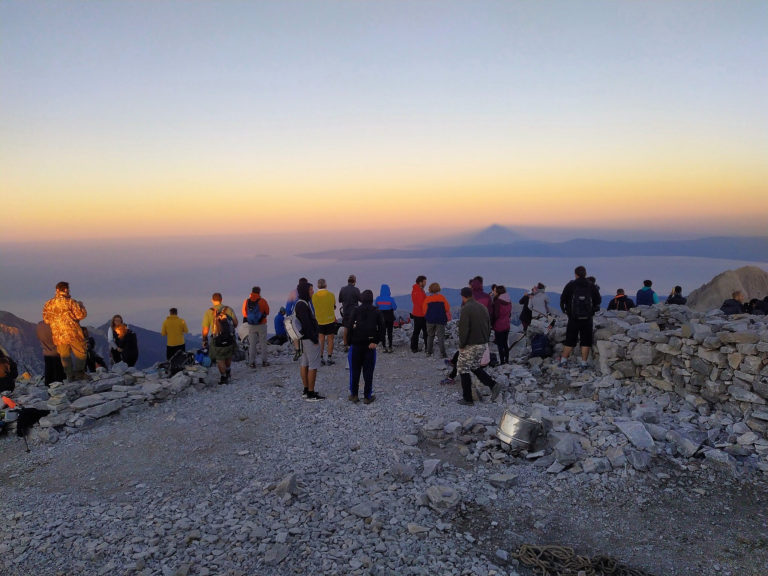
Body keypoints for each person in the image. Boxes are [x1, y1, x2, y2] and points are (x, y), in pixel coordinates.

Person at [456, 287, 501, 405]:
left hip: (471, 343)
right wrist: (485, 340)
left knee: (462, 368)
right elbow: (488, 325)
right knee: (475, 367)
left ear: (463, 296)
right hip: (482, 343)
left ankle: (468, 399)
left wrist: (462, 344)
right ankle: (493, 385)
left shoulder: (466, 309)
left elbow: (464, 329)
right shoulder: (482, 307)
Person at [42, 281, 88, 382]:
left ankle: (69, 375)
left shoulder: (48, 304)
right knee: (81, 352)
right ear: (66, 290)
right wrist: (81, 306)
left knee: (64, 356)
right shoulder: (71, 302)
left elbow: (46, 319)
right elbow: (81, 315)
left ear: (57, 290)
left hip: (58, 335)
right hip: (73, 333)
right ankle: (79, 373)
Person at [559, 266, 602, 369]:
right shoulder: (591, 286)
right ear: (585, 274)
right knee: (586, 340)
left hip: (573, 318)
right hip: (587, 318)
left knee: (570, 339)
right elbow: (598, 300)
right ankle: (583, 363)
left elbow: (562, 299)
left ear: (576, 274)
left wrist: (566, 311)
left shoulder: (571, 285)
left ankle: (563, 360)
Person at [347, 289, 384, 404]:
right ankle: (367, 396)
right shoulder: (376, 311)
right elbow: (382, 328)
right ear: (372, 299)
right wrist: (376, 341)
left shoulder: (356, 310)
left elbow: (349, 326)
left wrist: (349, 342)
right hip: (370, 346)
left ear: (361, 298)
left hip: (356, 345)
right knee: (368, 371)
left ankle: (354, 395)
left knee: (355, 370)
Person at [295, 280, 324, 401]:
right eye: (311, 290)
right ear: (305, 291)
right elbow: (307, 324)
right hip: (309, 339)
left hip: (304, 339)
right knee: (313, 365)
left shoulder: (301, 303)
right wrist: (314, 338)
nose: (312, 291)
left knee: (305, 363)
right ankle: (311, 393)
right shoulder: (303, 305)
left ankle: (306, 390)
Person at [202, 292, 238, 385]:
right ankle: (228, 370)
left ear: (212, 300)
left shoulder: (209, 312)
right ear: (221, 299)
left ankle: (224, 377)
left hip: (217, 339)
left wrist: (204, 339)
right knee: (228, 354)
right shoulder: (228, 309)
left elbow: (206, 329)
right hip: (229, 337)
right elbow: (235, 323)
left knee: (220, 359)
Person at [242, 286, 270, 368]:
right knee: (263, 343)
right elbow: (267, 311)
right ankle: (264, 361)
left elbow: (244, 313)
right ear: (259, 292)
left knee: (252, 344)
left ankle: (252, 362)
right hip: (262, 324)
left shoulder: (246, 301)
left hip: (251, 325)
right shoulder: (263, 301)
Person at [312, 278, 338, 365]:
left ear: (317, 286)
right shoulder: (331, 295)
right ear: (326, 285)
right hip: (330, 319)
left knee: (321, 340)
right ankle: (329, 358)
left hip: (319, 320)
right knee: (330, 339)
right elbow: (334, 306)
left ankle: (321, 358)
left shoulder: (314, 296)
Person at [423, 282, 451, 358]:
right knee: (440, 337)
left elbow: (424, 311)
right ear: (438, 289)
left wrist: (428, 317)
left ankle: (428, 352)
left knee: (430, 336)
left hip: (430, 320)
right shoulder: (442, 298)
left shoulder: (427, 299)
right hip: (440, 320)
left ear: (430, 290)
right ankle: (443, 353)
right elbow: (447, 308)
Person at [36, 320, 65, 385]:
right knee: (58, 370)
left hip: (46, 351)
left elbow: (38, 336)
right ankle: (58, 384)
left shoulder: (39, 325)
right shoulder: (54, 324)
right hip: (56, 351)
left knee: (48, 369)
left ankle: (48, 383)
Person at [339, 275, 361, 350]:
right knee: (354, 327)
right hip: (354, 312)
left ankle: (345, 345)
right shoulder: (356, 290)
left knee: (346, 328)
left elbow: (340, 300)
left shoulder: (342, 289)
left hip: (346, 311)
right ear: (354, 281)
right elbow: (361, 299)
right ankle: (353, 344)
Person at [491, 285, 512, 365]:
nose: (494, 292)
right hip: (507, 324)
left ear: (498, 292)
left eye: (495, 291)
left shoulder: (497, 302)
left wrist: (492, 323)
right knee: (505, 343)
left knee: (500, 344)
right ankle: (507, 360)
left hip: (499, 325)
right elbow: (509, 314)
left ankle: (502, 361)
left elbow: (495, 315)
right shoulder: (509, 300)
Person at [374, 284, 397, 353]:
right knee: (390, 332)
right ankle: (390, 347)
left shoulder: (378, 299)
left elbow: (376, 306)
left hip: (381, 318)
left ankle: (384, 347)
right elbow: (395, 307)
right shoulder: (391, 299)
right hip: (390, 317)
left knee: (382, 333)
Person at [410, 275, 428, 353]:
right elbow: (422, 303)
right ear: (420, 282)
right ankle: (427, 347)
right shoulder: (419, 291)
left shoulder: (417, 290)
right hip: (420, 314)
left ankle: (414, 347)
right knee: (424, 331)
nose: (425, 283)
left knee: (416, 331)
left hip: (417, 313)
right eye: (424, 282)